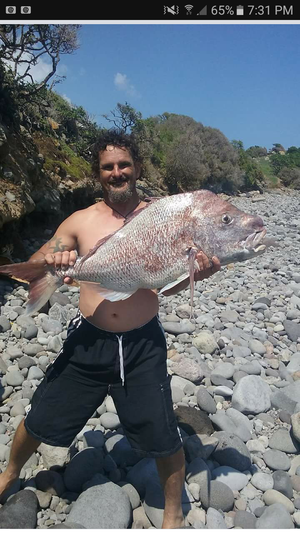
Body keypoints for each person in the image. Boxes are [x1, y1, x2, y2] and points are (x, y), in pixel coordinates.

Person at [0, 130, 221, 528]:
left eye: (124, 165)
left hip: (142, 347)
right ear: (98, 174)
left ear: (137, 168)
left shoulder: (165, 215)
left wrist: (202, 272)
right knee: (39, 417)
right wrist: (57, 259)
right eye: (108, 167)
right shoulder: (81, 220)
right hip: (89, 342)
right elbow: (38, 262)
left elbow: (173, 278)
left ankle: (172, 514)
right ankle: (10, 472)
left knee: (163, 433)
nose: (117, 172)